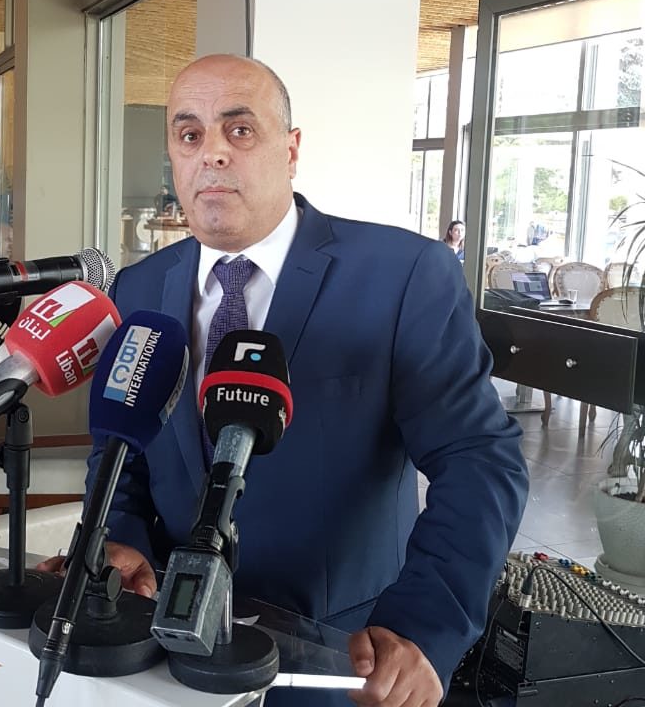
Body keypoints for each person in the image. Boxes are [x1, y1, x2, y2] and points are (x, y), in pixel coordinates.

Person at [39, 55, 528, 707]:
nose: (212, 152)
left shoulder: (404, 274)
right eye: (189, 135)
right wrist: (121, 539)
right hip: (161, 649)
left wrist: (423, 625)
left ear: (291, 150)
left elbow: (478, 459)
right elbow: (118, 452)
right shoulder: (138, 288)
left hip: (340, 661)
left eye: (239, 130)